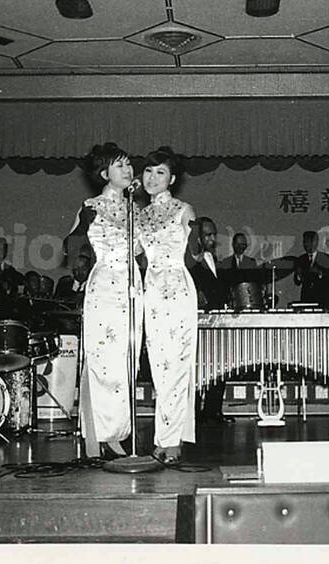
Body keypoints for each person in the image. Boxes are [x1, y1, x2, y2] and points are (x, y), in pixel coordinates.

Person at [64, 142, 141, 460]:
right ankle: (97, 435)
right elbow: (70, 245)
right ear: (104, 173)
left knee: (127, 362)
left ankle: (118, 433)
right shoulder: (91, 206)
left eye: (128, 164)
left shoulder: (136, 208)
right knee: (103, 362)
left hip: (131, 287)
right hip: (105, 288)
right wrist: (84, 257)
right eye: (119, 165)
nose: (128, 170)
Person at [137, 146, 198, 464]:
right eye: (148, 171)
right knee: (159, 368)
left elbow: (199, 255)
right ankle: (164, 436)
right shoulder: (139, 215)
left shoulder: (183, 209)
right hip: (151, 291)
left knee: (175, 365)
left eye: (160, 172)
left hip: (176, 289)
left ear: (172, 178)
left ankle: (170, 440)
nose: (152, 177)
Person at [188, 216, 234, 425]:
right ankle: (194, 414)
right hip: (198, 324)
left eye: (214, 234)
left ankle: (213, 411)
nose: (213, 238)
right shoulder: (188, 263)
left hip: (219, 323)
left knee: (220, 367)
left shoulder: (216, 261)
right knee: (198, 369)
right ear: (198, 238)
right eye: (208, 235)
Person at [294, 230, 329, 303]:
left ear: (315, 242)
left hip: (322, 296)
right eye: (304, 242)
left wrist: (320, 273)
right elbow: (297, 282)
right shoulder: (301, 259)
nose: (306, 244)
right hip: (307, 297)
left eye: (308, 241)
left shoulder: (324, 258)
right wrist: (298, 276)